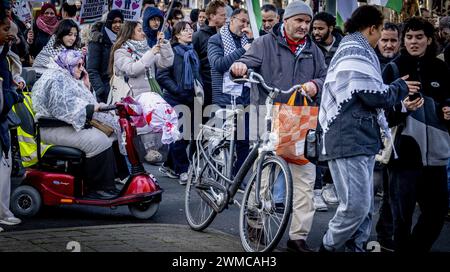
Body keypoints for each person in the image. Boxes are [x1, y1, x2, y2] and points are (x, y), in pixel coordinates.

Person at [231, 0, 327, 252]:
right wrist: (239, 67)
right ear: (286, 21)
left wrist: (316, 84)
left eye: (308, 22)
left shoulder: (313, 50)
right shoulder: (264, 43)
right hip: (267, 115)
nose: (304, 26)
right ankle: (255, 222)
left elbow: (326, 76)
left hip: (301, 119)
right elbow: (244, 62)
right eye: (299, 21)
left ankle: (298, 237)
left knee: (306, 179)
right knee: (264, 175)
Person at [317, 5, 414, 252]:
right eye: (381, 30)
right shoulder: (355, 51)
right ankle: (328, 247)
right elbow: (373, 94)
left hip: (357, 136)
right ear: (371, 28)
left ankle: (355, 248)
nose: (381, 36)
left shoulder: (354, 47)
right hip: (349, 137)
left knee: (364, 207)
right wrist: (400, 88)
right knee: (356, 207)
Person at [382, 17, 450, 252]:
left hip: (437, 156)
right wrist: (401, 108)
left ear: (429, 39)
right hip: (404, 155)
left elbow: (448, 100)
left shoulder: (441, 68)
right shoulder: (393, 68)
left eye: (419, 37)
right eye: (409, 37)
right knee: (401, 218)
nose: (413, 41)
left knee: (437, 213)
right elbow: (379, 112)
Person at [31, 49, 127, 199]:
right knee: (98, 141)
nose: (82, 68)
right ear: (67, 64)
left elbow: (75, 101)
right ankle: (99, 188)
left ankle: (112, 180)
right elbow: (62, 108)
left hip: (61, 124)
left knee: (112, 133)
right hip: (50, 126)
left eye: (82, 64)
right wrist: (89, 109)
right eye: (78, 65)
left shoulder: (65, 75)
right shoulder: (56, 79)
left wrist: (86, 85)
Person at [110, 21, 174, 162]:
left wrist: (163, 45)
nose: (143, 33)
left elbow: (166, 63)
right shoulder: (121, 52)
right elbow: (132, 69)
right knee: (133, 136)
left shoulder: (145, 49)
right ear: (130, 33)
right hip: (131, 99)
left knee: (151, 125)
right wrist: (151, 53)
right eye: (139, 30)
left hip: (149, 95)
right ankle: (130, 171)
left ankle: (150, 155)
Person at [208, 8, 252, 177]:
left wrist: (252, 43)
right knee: (221, 141)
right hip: (223, 98)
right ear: (232, 20)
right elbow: (218, 64)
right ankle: (216, 177)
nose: (244, 25)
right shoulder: (216, 40)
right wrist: (244, 50)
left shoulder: (248, 40)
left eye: (247, 23)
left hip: (244, 98)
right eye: (242, 21)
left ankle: (237, 178)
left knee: (244, 141)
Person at [156, 22, 201, 185]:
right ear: (176, 35)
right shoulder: (172, 51)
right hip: (175, 98)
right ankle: (183, 170)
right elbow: (161, 75)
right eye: (185, 30)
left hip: (191, 98)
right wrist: (177, 89)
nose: (189, 32)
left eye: (190, 29)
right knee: (178, 136)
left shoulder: (192, 51)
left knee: (186, 136)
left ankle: (169, 165)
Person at [374, 21, 401, 252]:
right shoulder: (370, 63)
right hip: (370, 136)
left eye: (393, 40)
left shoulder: (401, 65)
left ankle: (385, 235)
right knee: (363, 194)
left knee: (391, 192)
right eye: (385, 40)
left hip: (395, 136)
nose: (389, 45)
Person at [0, 7, 22, 228]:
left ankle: (3, 211)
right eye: (6, 29)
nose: (11, 36)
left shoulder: (5, 57)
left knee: (4, 169)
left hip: (2, 120)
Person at [192, 0, 226, 116]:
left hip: (224, 85)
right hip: (206, 88)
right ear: (211, 16)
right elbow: (193, 63)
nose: (225, 18)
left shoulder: (226, 34)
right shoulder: (198, 36)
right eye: (222, 15)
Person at [87, 10, 124, 103]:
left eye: (120, 22)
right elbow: (92, 70)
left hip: (120, 88)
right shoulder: (97, 39)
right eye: (115, 22)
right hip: (105, 89)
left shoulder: (123, 39)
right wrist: (101, 91)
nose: (118, 25)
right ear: (109, 22)